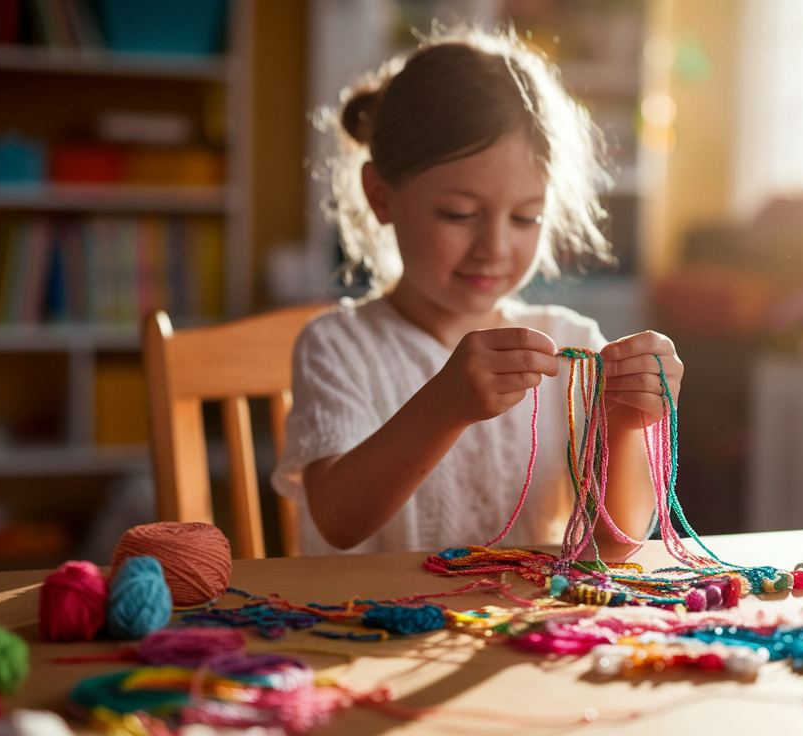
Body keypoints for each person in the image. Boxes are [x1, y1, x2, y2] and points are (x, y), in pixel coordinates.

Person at [272, 28, 683, 558]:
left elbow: (616, 541)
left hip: (515, 628)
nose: (494, 246)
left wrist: (629, 421)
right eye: (460, 214)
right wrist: (445, 405)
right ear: (381, 197)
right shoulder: (336, 346)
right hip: (370, 631)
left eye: (525, 217)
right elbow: (339, 522)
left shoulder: (570, 342)